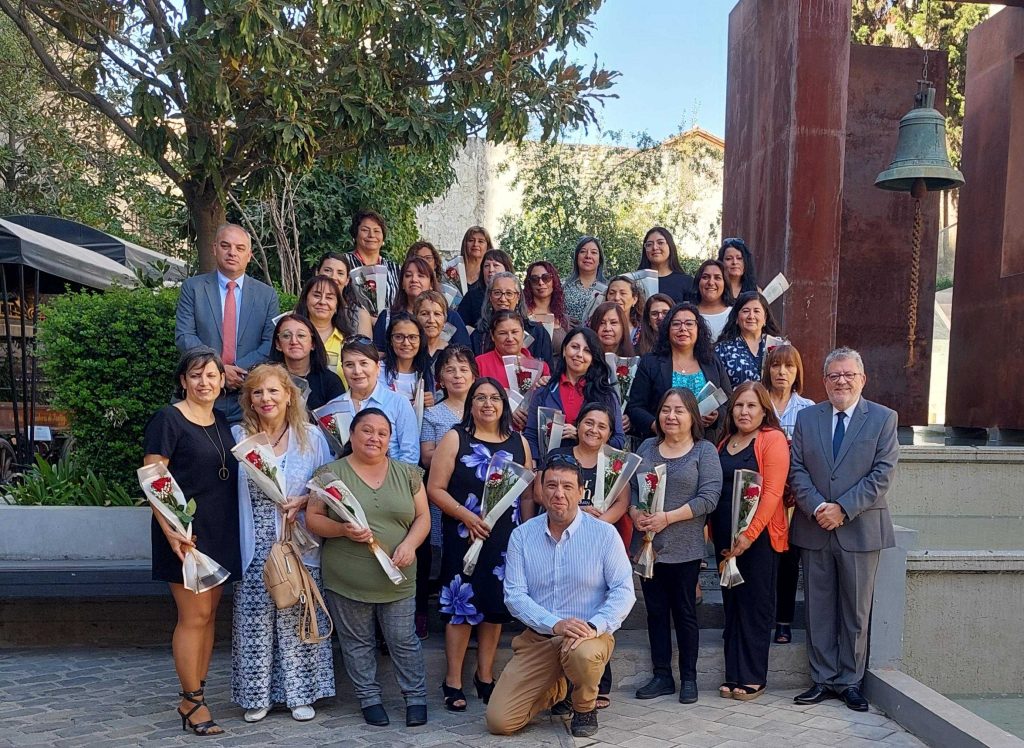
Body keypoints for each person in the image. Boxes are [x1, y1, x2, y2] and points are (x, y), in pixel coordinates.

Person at [485, 455, 635, 739]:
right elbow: (514, 596)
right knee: (499, 722)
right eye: (551, 485)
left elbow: (624, 590)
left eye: (567, 486)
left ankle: (584, 706)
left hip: (586, 636)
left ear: (581, 492)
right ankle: (559, 688)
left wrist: (595, 627)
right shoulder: (522, 536)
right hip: (539, 639)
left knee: (583, 653)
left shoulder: (604, 535)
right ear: (540, 490)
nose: (558, 493)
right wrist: (555, 624)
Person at [305, 408, 431, 728]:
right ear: (352, 435)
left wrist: (410, 544)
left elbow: (423, 518)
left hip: (398, 573)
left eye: (382, 433)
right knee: (357, 641)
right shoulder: (329, 473)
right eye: (367, 430)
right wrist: (342, 530)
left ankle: (415, 697)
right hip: (348, 577)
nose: (374, 438)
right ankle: (369, 697)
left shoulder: (408, 473)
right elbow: (313, 519)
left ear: (390, 439)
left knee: (403, 638)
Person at [789, 347, 899, 712]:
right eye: (834, 375)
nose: (842, 381)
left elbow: (881, 474)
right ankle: (822, 679)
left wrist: (843, 509)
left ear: (862, 379)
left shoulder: (883, 419)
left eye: (849, 374)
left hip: (860, 530)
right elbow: (797, 470)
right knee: (818, 609)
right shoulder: (808, 419)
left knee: (855, 611)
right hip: (815, 526)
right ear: (824, 381)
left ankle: (850, 682)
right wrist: (820, 507)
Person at [143, 347, 242, 736]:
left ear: (222, 382)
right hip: (185, 534)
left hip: (219, 531)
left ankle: (194, 694)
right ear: (183, 381)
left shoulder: (221, 420)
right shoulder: (168, 419)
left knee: (209, 616)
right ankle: (193, 700)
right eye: (196, 375)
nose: (205, 382)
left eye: (212, 375)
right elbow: (155, 478)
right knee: (193, 617)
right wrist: (173, 530)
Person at [231, 364, 335, 723]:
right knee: (256, 618)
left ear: (289, 395)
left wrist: (305, 501)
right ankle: (256, 695)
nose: (266, 398)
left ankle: (300, 693)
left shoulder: (311, 436)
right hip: (255, 539)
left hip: (299, 538)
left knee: (297, 612)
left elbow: (328, 485)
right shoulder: (238, 436)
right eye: (258, 392)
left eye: (274, 391)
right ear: (249, 399)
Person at [426, 379, 534, 713]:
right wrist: (466, 517)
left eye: (495, 398)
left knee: (493, 608)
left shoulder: (519, 442)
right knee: (461, 609)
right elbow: (435, 488)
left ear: (504, 404)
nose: (488, 404)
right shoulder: (455, 438)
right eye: (480, 398)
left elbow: (527, 493)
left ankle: (484, 675)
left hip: (504, 539)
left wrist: (525, 531)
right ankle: (453, 680)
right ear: (470, 404)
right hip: (464, 535)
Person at [630, 388, 721, 704]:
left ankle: (689, 678)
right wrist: (636, 514)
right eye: (666, 409)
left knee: (684, 614)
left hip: (685, 547)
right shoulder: (647, 447)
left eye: (679, 410)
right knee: (655, 612)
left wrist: (667, 518)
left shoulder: (703, 451)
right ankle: (661, 675)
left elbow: (709, 498)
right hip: (648, 547)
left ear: (692, 416)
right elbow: (632, 490)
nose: (671, 416)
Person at [547, 403, 633, 708]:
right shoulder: (561, 457)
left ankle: (597, 683)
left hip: (601, 539)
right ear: (578, 424)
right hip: (563, 538)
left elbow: (622, 501)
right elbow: (544, 494)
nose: (594, 430)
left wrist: (597, 524)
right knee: (569, 602)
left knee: (599, 605)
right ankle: (562, 686)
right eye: (588, 423)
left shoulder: (615, 462)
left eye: (602, 426)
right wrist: (578, 515)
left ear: (610, 432)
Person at [710, 382, 789, 700]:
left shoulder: (772, 440)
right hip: (725, 539)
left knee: (755, 606)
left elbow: (772, 493)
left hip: (758, 539)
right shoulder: (725, 441)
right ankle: (733, 673)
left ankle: (753, 675)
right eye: (739, 405)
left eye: (752, 406)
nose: (744, 411)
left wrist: (749, 535)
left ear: (764, 410)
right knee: (733, 606)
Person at [175, 223, 279, 422]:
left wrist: (237, 372)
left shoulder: (267, 295)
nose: (232, 253)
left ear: (249, 255)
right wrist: (219, 369)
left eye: (240, 248)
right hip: (201, 392)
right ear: (214, 249)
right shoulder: (193, 288)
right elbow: (184, 336)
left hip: (248, 395)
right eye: (225, 246)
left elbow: (269, 343)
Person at [418, 346, 479, 639]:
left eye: (463, 369)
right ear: (440, 376)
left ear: (474, 375)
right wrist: (460, 452)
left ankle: (479, 611)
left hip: (480, 494)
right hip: (446, 493)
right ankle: (452, 611)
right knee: (450, 555)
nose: (457, 375)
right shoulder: (432, 414)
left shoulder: (484, 407)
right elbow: (427, 456)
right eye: (450, 370)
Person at [763, 345, 815, 644]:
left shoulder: (808, 408)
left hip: (793, 496)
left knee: (788, 557)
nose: (782, 372)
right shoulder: (757, 401)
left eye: (789, 367)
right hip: (760, 492)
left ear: (797, 373)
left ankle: (783, 620)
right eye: (776, 365)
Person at [627, 302, 732, 444]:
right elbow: (635, 407)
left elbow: (728, 401)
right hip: (661, 443)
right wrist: (658, 426)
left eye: (689, 323)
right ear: (667, 330)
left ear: (698, 329)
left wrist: (716, 416)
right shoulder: (651, 363)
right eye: (676, 324)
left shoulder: (712, 361)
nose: (683, 328)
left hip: (705, 443)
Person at [524, 327, 625, 461]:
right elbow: (531, 435)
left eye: (587, 351)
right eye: (575, 347)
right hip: (550, 469)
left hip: (590, 469)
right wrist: (537, 467)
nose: (579, 354)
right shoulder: (544, 389)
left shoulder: (606, 395)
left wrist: (582, 435)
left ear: (593, 358)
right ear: (564, 350)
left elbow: (619, 441)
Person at [322, 338, 419, 464]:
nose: (357, 371)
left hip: (392, 479)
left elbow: (410, 455)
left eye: (364, 363)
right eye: (349, 365)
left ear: (378, 367)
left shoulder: (399, 403)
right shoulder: (332, 408)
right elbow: (327, 457)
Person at [473, 309, 551, 431]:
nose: (510, 338)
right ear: (493, 336)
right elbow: (473, 400)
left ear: (523, 333)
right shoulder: (480, 363)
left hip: (530, 431)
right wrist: (505, 407)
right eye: (503, 333)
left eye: (515, 332)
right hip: (492, 430)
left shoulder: (541, 366)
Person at [372, 256, 470, 350]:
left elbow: (465, 354)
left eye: (421, 275)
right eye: (408, 275)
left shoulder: (450, 317)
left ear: (431, 283)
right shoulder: (387, 318)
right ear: (402, 283)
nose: (414, 280)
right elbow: (378, 356)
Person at [295, 270, 371, 379]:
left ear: (336, 306)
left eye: (329, 297)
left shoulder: (348, 341)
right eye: (317, 295)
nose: (322, 302)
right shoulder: (293, 338)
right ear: (305, 300)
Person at [470, 272, 554, 367]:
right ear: (490, 297)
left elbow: (547, 371)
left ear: (518, 297)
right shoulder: (479, 334)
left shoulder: (537, 332)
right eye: (497, 293)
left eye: (509, 293)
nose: (503, 298)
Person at [268, 314, 345, 411]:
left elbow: (338, 422)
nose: (294, 341)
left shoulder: (330, 381)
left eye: (301, 335)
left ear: (312, 343)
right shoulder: (267, 380)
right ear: (278, 344)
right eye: (286, 336)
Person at [715, 291, 783, 388]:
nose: (751, 316)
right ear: (737, 318)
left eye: (756, 311)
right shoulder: (722, 350)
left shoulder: (779, 345)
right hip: (738, 402)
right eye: (745, 311)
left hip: (773, 403)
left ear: (765, 317)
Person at [309, 253, 373, 345]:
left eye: (340, 273)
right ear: (317, 273)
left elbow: (364, 354)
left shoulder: (359, 315)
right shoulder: (306, 308)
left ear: (347, 280)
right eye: (327, 270)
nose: (333, 277)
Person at [344, 210, 401, 314]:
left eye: (377, 231)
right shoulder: (343, 263)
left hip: (390, 327)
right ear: (355, 235)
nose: (371, 235)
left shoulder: (395, 269)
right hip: (352, 326)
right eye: (365, 230)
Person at [379, 312, 435, 407]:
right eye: (398, 337)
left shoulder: (426, 372)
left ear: (420, 341)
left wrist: (430, 402)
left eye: (412, 337)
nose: (406, 343)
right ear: (390, 340)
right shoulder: (377, 370)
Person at [524, 260, 570, 355]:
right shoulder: (521, 315)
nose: (541, 283)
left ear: (554, 281)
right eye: (534, 279)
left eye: (546, 278)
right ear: (529, 284)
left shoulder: (564, 320)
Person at [459, 247, 512, 330]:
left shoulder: (516, 294)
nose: (491, 270)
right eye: (486, 266)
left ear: (506, 269)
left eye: (496, 265)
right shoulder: (472, 297)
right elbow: (461, 326)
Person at [563, 236, 610, 325]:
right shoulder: (563, 287)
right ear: (576, 257)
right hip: (568, 337)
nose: (588, 256)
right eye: (583, 251)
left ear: (600, 259)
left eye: (594, 252)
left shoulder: (608, 289)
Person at [639, 227, 693, 303]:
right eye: (649, 244)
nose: (654, 247)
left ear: (670, 246)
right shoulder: (635, 282)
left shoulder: (687, 282)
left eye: (660, 243)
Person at [692, 259, 731, 343]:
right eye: (705, 277)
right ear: (698, 282)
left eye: (717, 278)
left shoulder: (734, 314)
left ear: (725, 283)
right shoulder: (688, 313)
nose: (711, 282)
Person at [605, 275, 644, 347]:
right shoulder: (594, 323)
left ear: (634, 299)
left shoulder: (643, 329)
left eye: (623, 293)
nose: (616, 298)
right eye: (612, 293)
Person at [718, 238, 758, 305]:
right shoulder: (715, 288)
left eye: (739, 258)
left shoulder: (755, 290)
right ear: (721, 262)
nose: (735, 262)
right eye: (729, 259)